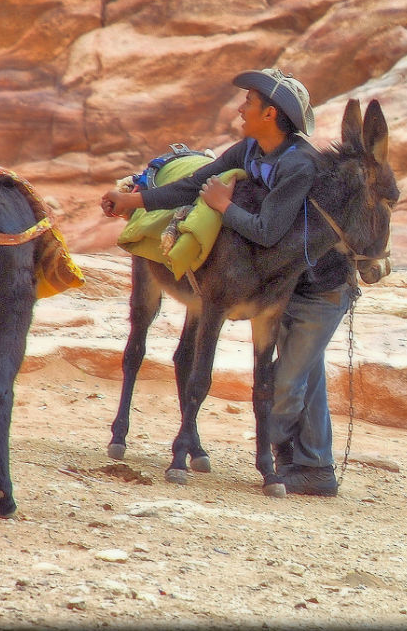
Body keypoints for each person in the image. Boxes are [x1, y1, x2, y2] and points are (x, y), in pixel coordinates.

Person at [101, 68, 351, 496]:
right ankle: (286, 460)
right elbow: (193, 184)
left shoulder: (301, 165)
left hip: (292, 278)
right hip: (258, 266)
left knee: (289, 378)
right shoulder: (250, 148)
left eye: (248, 104)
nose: (240, 109)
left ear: (270, 114)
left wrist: (221, 204)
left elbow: (269, 231)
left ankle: (295, 462)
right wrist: (134, 200)